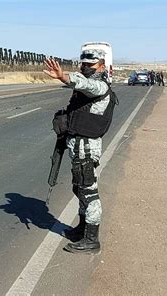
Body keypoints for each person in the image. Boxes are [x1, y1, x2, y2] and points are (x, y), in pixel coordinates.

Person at [43, 49, 117, 254]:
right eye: (83, 65)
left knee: (88, 191)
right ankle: (82, 229)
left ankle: (92, 240)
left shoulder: (100, 86)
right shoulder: (84, 90)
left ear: (101, 67)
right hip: (78, 147)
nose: (85, 68)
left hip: (86, 148)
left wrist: (63, 76)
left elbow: (85, 83)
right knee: (79, 188)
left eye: (90, 66)